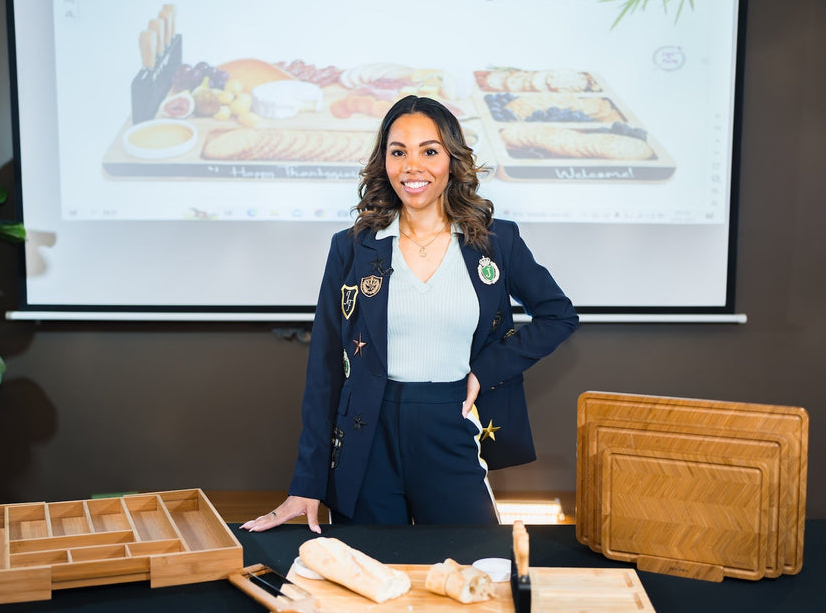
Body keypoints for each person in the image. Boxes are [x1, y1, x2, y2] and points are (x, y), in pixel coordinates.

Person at [242, 95, 577, 533]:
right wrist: (307, 483)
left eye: (429, 151)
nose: (412, 167)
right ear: (384, 161)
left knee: (477, 565)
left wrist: (486, 370)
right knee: (368, 570)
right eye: (398, 152)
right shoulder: (351, 248)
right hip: (366, 437)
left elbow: (558, 315)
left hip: (449, 424)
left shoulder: (496, 242)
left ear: (452, 160)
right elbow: (325, 370)